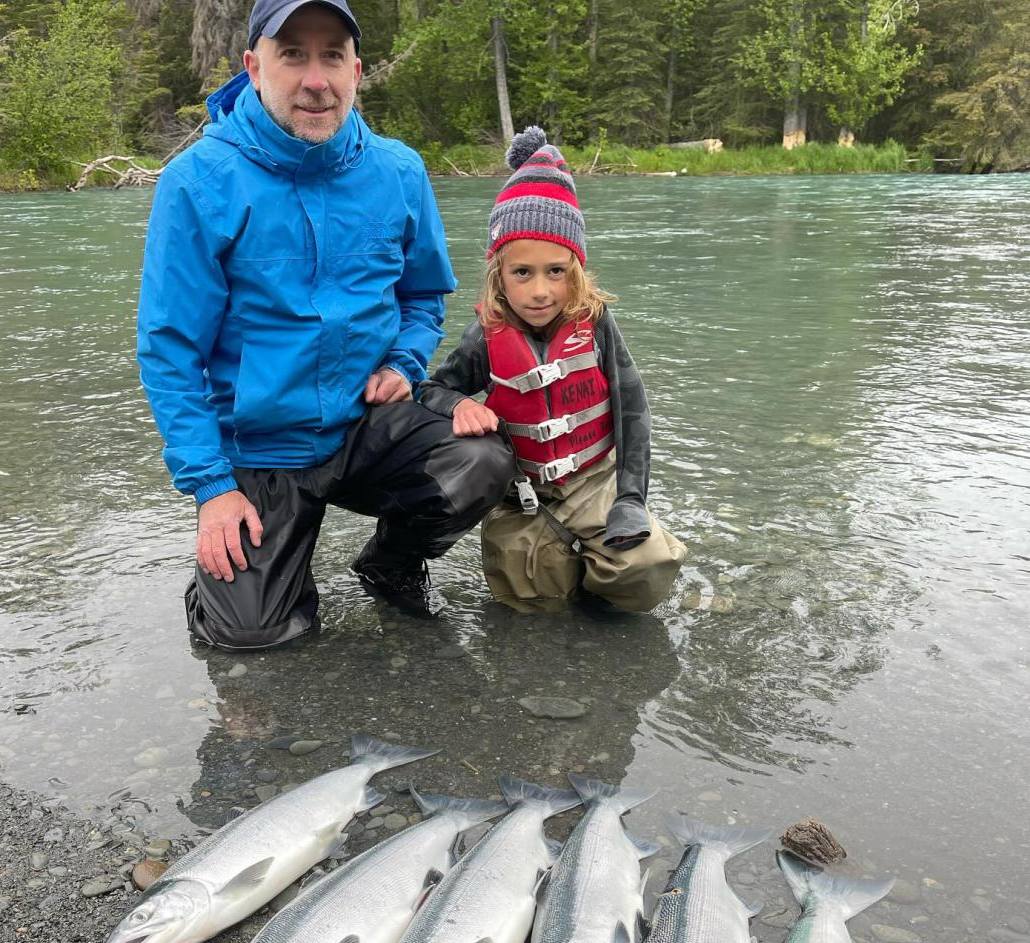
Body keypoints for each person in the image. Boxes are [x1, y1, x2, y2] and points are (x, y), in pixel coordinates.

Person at [136, 0, 514, 648]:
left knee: (478, 460)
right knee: (257, 638)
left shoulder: (398, 172)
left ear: (356, 71)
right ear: (254, 67)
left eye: (332, 56)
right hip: (260, 445)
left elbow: (423, 298)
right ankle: (235, 587)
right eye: (293, 55)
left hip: (364, 423)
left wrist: (403, 363)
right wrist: (210, 489)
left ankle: (390, 563)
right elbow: (171, 351)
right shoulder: (197, 181)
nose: (317, 79)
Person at [419, 127, 687, 613]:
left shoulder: (598, 324)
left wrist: (631, 497)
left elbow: (634, 415)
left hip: (594, 481)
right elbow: (432, 389)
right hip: (521, 495)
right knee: (533, 608)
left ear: (576, 269)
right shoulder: (485, 335)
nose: (540, 290)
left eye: (556, 271)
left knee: (644, 568)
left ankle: (602, 596)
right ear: (499, 273)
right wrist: (458, 403)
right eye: (522, 273)